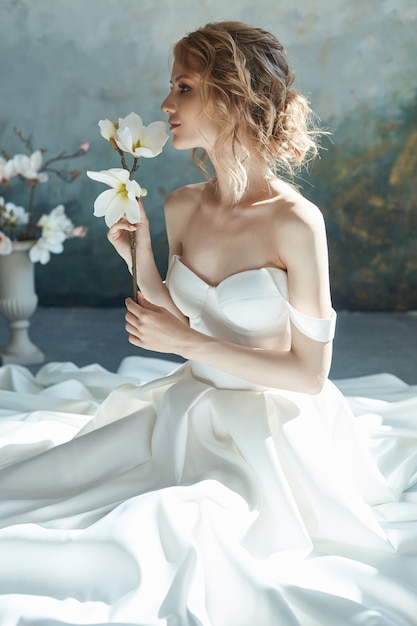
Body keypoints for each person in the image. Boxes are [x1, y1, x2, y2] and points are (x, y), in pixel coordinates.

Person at [0, 20, 416, 626]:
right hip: (189, 409)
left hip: (270, 429)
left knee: (189, 534)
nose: (166, 105)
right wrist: (138, 256)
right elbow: (177, 313)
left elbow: (308, 374)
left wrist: (187, 342)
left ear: (234, 97)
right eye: (171, 88)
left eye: (184, 87)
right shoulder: (181, 205)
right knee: (40, 494)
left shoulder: (297, 223)